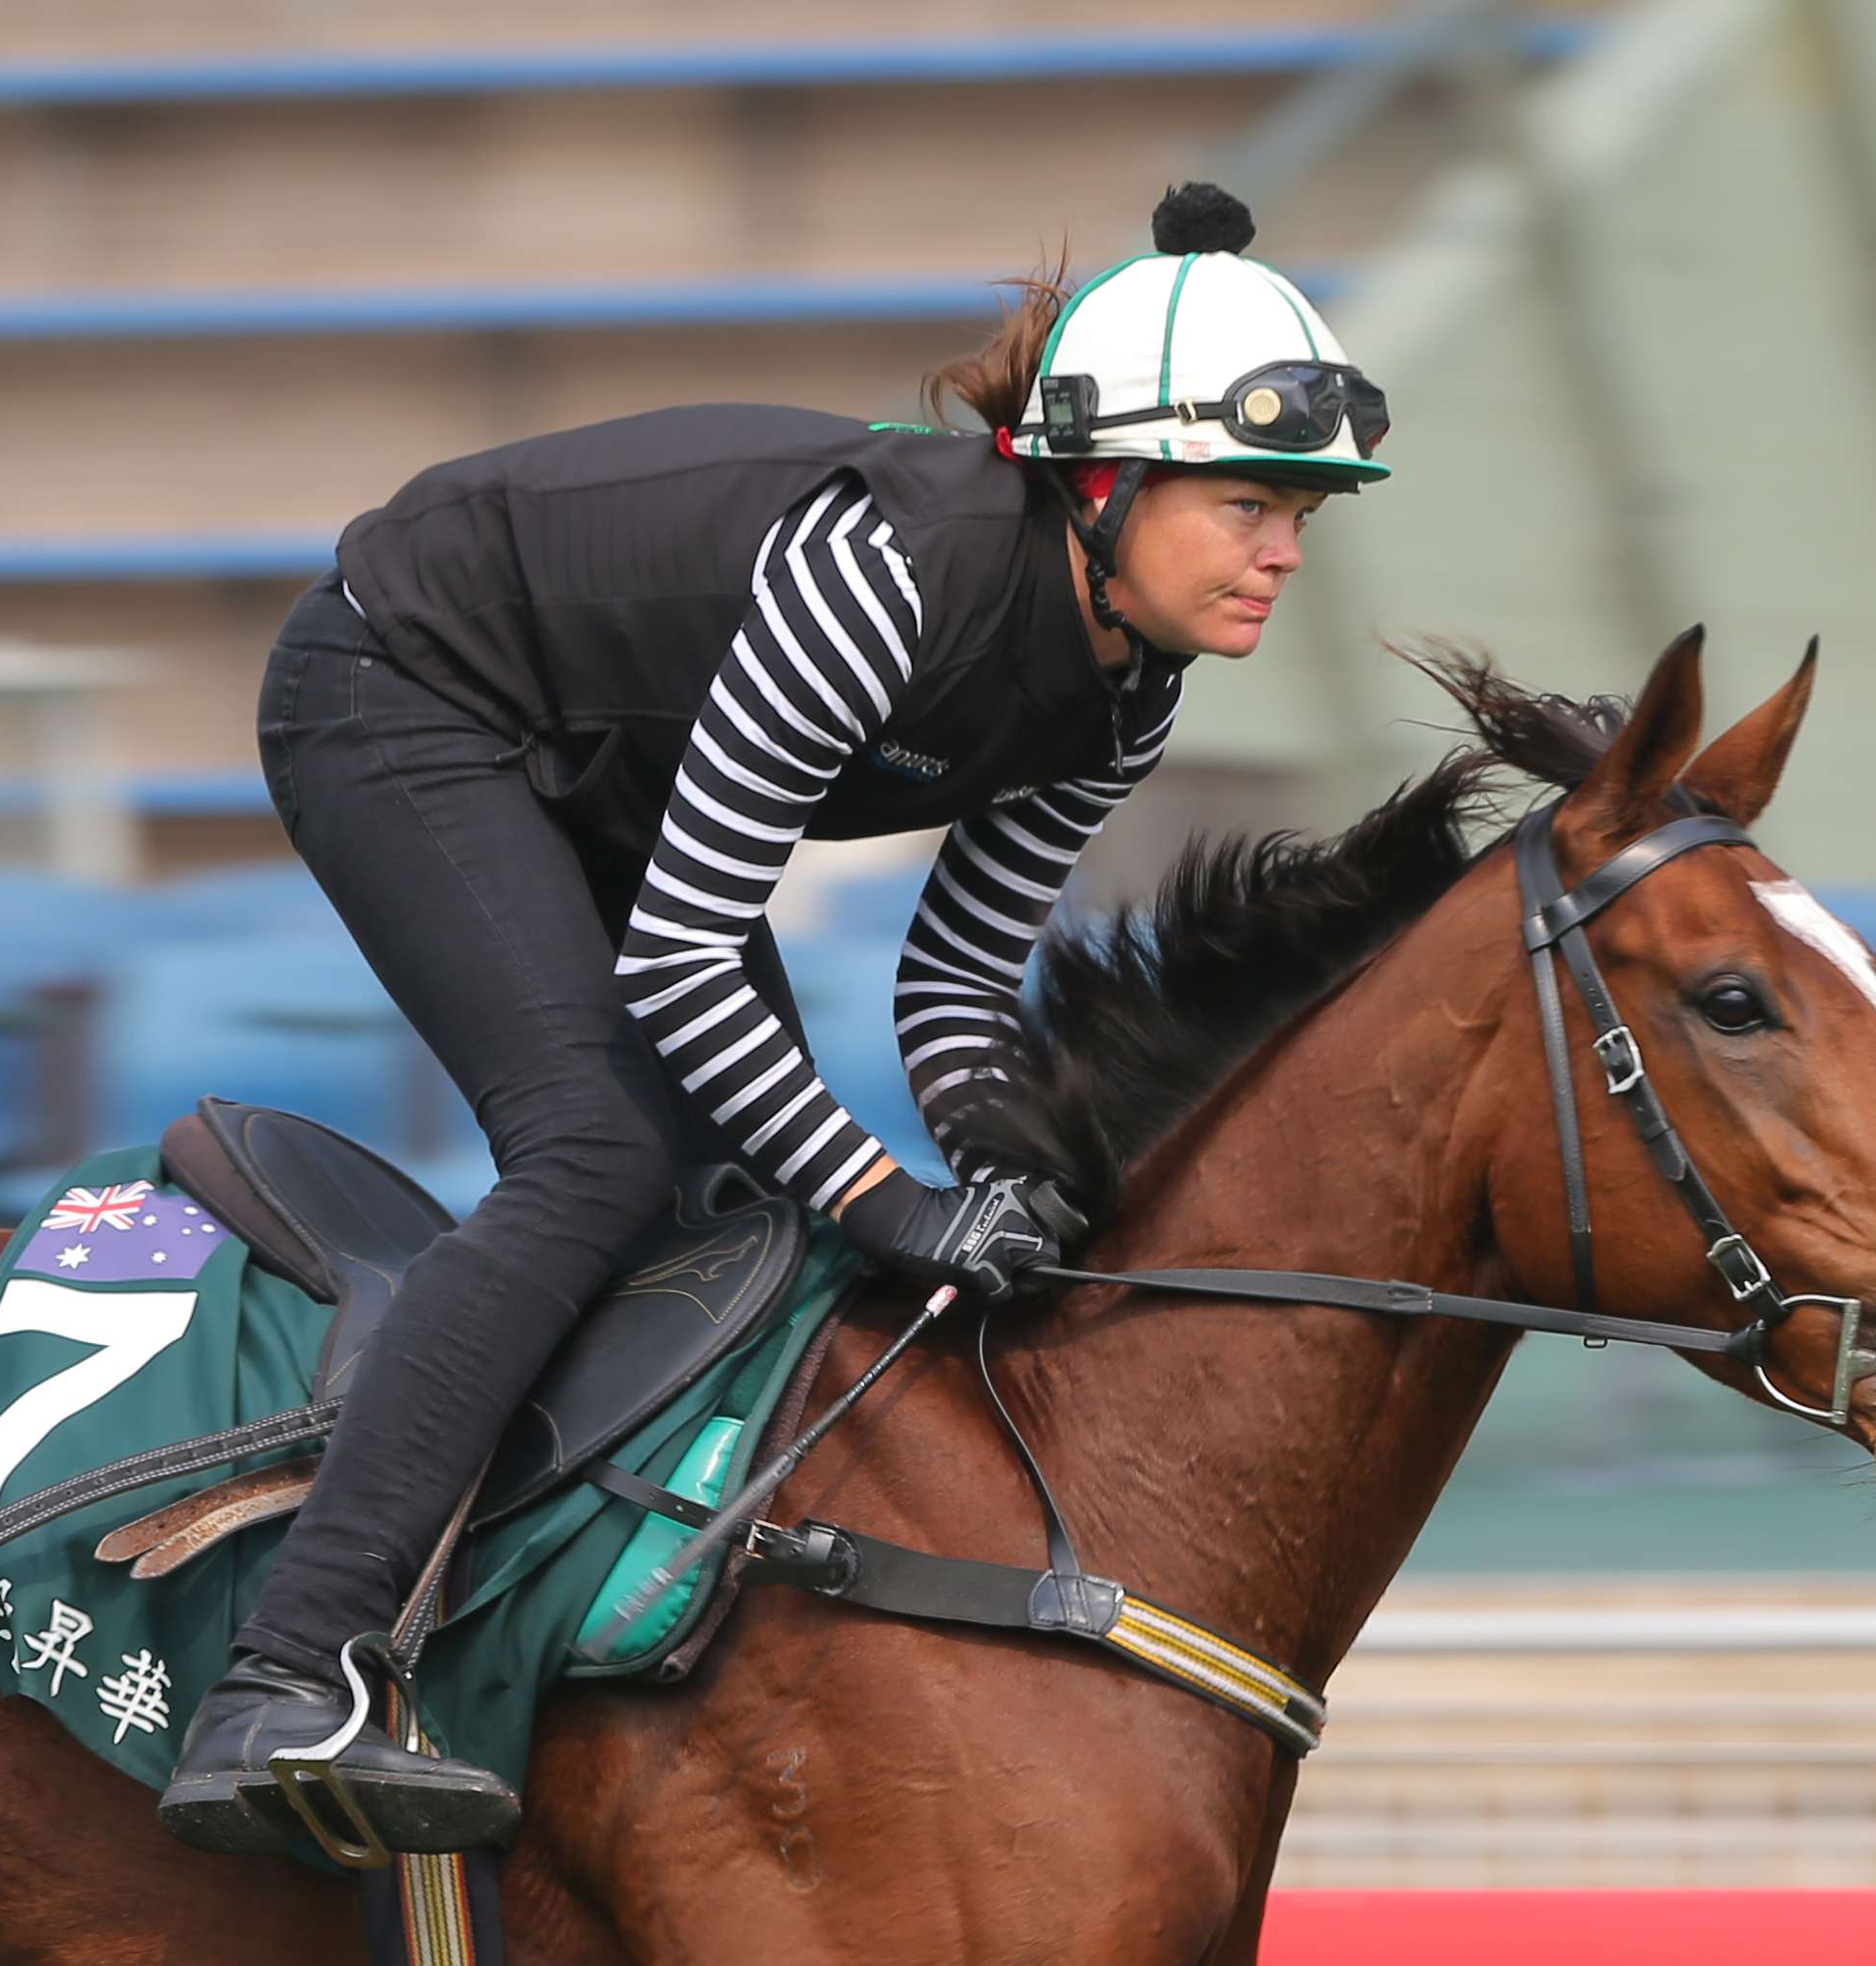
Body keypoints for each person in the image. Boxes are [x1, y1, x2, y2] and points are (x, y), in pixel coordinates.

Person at [156, 180, 1391, 1857]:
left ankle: (527, 1632)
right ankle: (287, 1673)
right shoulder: (888, 574)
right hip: (406, 695)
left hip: (597, 774)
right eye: (1251, 503)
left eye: (1302, 511)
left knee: (729, 1199)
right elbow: (685, 957)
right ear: (1102, 486)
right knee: (598, 1156)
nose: (1286, 551)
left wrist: (1002, 1170)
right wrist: (897, 1201)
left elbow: (952, 982)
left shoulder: (1132, 691)